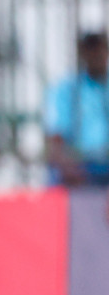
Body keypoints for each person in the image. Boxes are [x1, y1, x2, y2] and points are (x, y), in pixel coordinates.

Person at [44, 31, 109, 186]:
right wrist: (68, 166)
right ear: (82, 53)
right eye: (91, 49)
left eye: (100, 48)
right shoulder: (67, 89)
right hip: (81, 166)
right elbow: (56, 139)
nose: (96, 55)